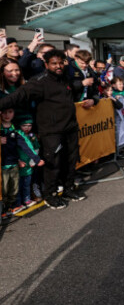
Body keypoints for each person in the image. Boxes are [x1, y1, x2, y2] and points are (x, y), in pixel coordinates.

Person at [0, 50, 87, 210]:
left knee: (70, 161)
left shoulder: (65, 78)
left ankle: (68, 190)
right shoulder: (39, 82)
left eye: (61, 62)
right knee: (53, 164)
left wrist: (91, 98)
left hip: (70, 129)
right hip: (51, 132)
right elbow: (18, 95)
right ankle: (50, 195)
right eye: (54, 63)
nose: (58, 66)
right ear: (46, 65)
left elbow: (73, 90)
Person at [1, 109, 42, 217]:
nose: (7, 115)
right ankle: (6, 208)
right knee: (4, 189)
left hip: (14, 164)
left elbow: (26, 146)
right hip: (3, 165)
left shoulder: (15, 131)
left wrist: (36, 159)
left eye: (10, 112)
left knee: (15, 188)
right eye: (4, 112)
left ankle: (15, 205)